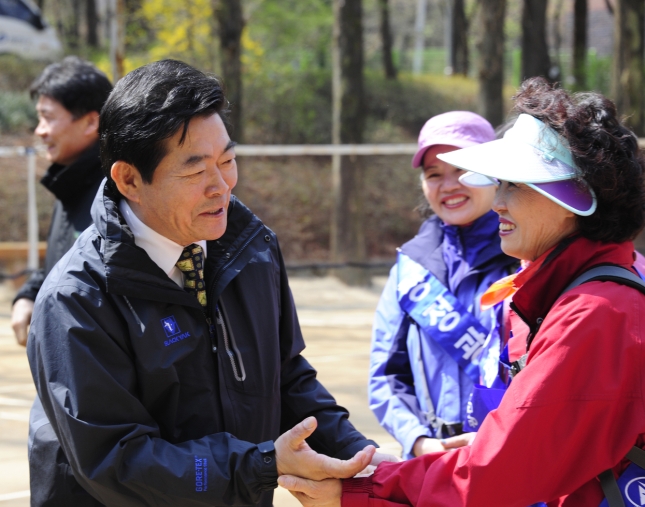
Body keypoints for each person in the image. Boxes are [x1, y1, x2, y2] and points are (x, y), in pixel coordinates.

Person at [26, 60, 393, 507]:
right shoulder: (76, 299)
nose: (222, 186)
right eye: (196, 170)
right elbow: (117, 462)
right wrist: (260, 464)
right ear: (129, 179)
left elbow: (287, 379)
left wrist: (366, 462)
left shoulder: (251, 250)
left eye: (228, 160)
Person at [278, 78, 645, 506]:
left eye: (515, 185)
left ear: (573, 197)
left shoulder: (595, 312)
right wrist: (423, 444)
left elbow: (499, 474)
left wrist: (361, 490)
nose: (497, 203)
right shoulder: (570, 291)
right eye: (434, 174)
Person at [369, 111, 517, 459]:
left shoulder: (526, 257)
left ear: (495, 174)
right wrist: (419, 442)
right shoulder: (410, 268)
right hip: (432, 460)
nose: (448, 185)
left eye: (463, 170)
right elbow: (386, 375)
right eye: (434, 174)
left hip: (510, 458)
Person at [11, 56, 112, 347]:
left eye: (48, 117)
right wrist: (30, 293)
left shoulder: (114, 196)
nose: (39, 130)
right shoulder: (71, 182)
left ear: (91, 121)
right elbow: (61, 266)